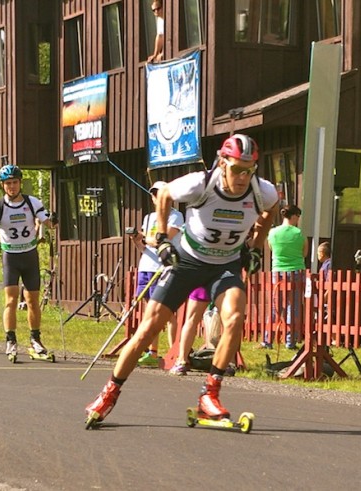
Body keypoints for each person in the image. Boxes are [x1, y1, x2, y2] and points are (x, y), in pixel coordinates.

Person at [85, 134, 278, 425]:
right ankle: (109, 393)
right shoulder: (201, 183)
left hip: (225, 264)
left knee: (235, 318)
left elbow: (271, 211)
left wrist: (256, 246)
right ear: (223, 163)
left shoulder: (262, 191)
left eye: (249, 170)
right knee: (148, 330)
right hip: (187, 261)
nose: (242, 177)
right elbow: (163, 194)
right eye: (237, 169)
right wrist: (162, 238)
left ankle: (209, 396)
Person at [0, 164, 58, 359]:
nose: (11, 187)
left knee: (32, 301)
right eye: (8, 183)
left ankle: (35, 340)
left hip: (29, 255)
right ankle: (11, 340)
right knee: (11, 300)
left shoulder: (32, 202)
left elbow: (49, 223)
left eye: (14, 182)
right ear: (2, 185)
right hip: (10, 257)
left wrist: (53, 220)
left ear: (20, 183)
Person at [129, 181, 184, 367]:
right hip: (146, 265)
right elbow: (144, 246)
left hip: (164, 267)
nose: (156, 197)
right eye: (153, 194)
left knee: (167, 313)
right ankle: (153, 352)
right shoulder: (148, 217)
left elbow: (165, 238)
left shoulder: (176, 216)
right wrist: (137, 240)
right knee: (149, 311)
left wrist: (145, 238)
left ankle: (174, 352)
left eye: (160, 194)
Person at [266, 205, 308, 349]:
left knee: (276, 307)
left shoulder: (272, 232)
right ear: (294, 216)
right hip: (296, 271)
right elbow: (304, 253)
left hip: (277, 271)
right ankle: (290, 341)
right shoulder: (299, 233)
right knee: (294, 307)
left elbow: (272, 249)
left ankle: (268, 339)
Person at [168, 287, 209, 376]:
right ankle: (229, 363)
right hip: (224, 280)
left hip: (202, 278)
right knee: (228, 321)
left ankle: (182, 360)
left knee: (191, 320)